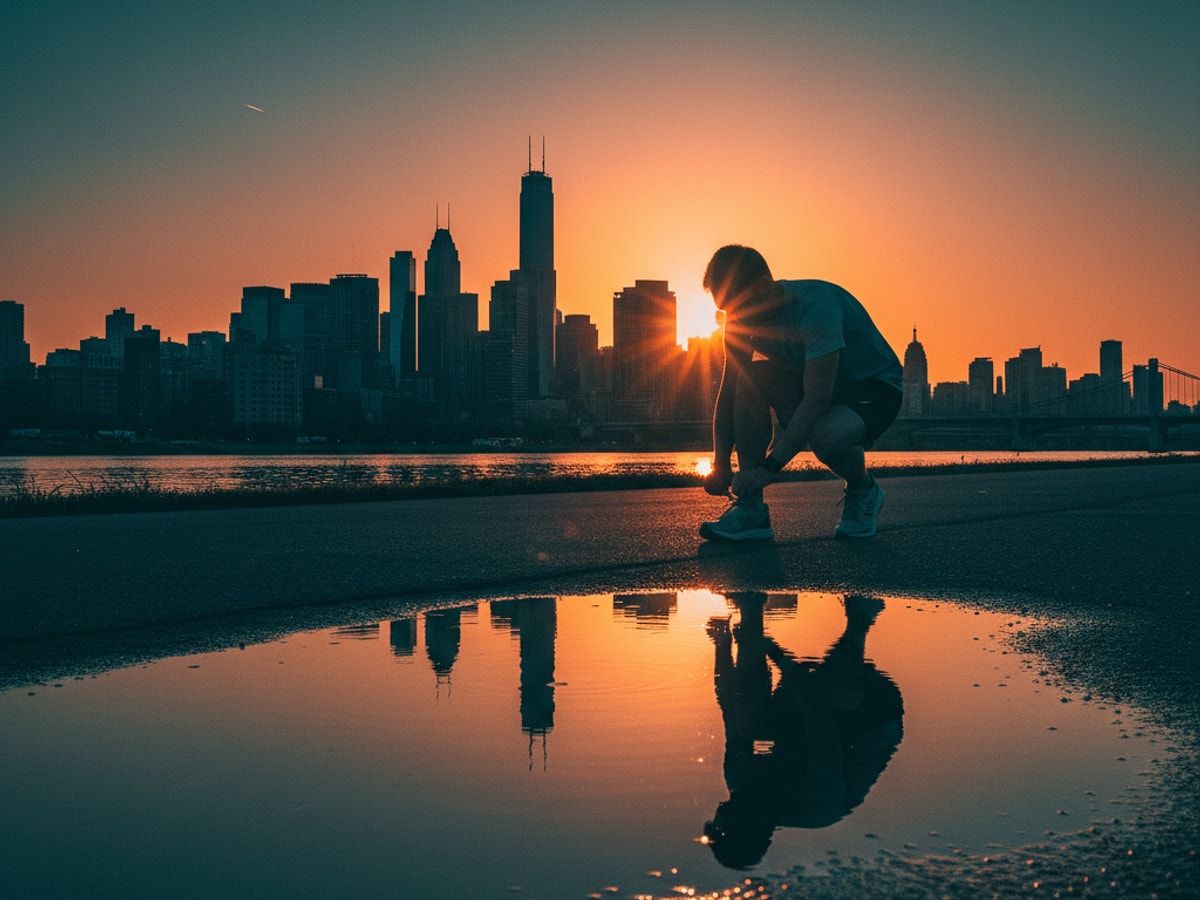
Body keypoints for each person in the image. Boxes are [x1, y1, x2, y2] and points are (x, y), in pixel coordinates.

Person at [699, 245, 904, 541]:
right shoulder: (738, 319)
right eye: (725, 310)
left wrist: (770, 468)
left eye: (738, 307)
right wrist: (720, 464)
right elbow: (729, 390)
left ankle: (863, 489)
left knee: (826, 437)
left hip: (873, 387)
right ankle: (752, 511)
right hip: (812, 382)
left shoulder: (816, 306)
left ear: (763, 288)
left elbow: (817, 398)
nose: (735, 317)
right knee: (747, 381)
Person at [703, 593, 903, 869]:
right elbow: (818, 715)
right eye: (724, 817)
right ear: (754, 825)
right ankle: (860, 621)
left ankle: (751, 608)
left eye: (718, 815)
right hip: (870, 716)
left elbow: (729, 704)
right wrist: (774, 653)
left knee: (750, 722)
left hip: (801, 719)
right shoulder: (817, 804)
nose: (722, 807)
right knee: (841, 695)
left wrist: (723, 644)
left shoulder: (740, 781)